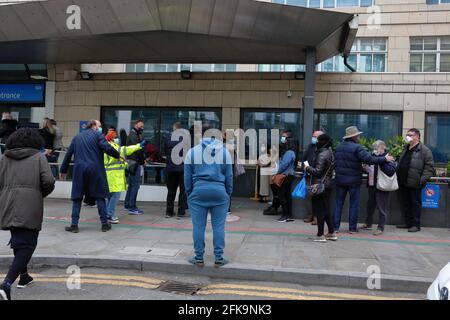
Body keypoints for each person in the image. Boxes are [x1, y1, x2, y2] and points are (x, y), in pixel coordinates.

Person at [0, 128, 55, 300]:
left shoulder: (4, 158)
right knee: (27, 245)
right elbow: (49, 181)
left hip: (7, 204)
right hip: (30, 205)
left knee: (18, 240)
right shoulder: (38, 157)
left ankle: (24, 277)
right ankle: (6, 285)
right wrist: (39, 193)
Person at [184, 124, 233, 268]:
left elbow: (187, 177)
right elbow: (229, 176)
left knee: (198, 226)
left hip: (198, 192)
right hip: (219, 191)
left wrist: (189, 193)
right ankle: (219, 258)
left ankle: (199, 258)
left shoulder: (192, 152)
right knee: (219, 226)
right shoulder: (225, 153)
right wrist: (227, 193)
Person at [60, 120, 121, 233]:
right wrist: (117, 155)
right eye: (99, 126)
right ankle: (104, 224)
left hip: (79, 171)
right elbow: (107, 148)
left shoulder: (77, 137)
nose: (101, 128)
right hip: (95, 170)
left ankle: (74, 225)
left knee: (77, 198)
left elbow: (68, 155)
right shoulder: (98, 135)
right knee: (100, 196)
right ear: (93, 126)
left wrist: (63, 170)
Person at [333, 126, 394, 234]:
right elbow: (369, 159)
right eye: (357, 135)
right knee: (354, 204)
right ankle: (352, 228)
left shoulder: (338, 147)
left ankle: (335, 227)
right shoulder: (357, 147)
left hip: (340, 180)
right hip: (353, 181)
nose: (359, 137)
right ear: (354, 136)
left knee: (338, 204)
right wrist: (384, 159)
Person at [396, 129, 435, 233]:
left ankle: (416, 225)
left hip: (415, 183)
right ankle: (408, 223)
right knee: (406, 204)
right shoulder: (406, 148)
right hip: (403, 182)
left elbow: (429, 167)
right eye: (407, 135)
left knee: (415, 204)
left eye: (410, 135)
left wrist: (421, 180)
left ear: (417, 136)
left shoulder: (425, 150)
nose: (407, 137)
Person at [104, 130, 144, 224]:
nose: (117, 139)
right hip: (114, 176)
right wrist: (138, 146)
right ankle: (109, 214)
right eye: (115, 137)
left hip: (111, 175)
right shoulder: (111, 146)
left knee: (110, 196)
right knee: (115, 196)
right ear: (111, 138)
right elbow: (124, 150)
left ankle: (109, 215)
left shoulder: (109, 145)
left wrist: (125, 164)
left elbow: (119, 158)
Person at [304, 134, 337, 243]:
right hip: (326, 185)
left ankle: (320, 235)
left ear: (322, 142)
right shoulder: (329, 152)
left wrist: (307, 167)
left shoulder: (322, 154)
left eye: (317, 140)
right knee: (326, 209)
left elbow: (318, 172)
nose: (316, 141)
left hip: (319, 186)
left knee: (320, 211)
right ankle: (331, 232)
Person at [360, 140, 397, 236]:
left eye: (377, 148)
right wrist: (365, 168)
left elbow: (391, 171)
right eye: (374, 148)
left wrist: (382, 160)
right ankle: (368, 223)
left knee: (382, 208)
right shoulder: (372, 156)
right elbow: (371, 170)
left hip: (382, 186)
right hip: (372, 185)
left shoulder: (388, 157)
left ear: (382, 148)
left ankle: (380, 227)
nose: (375, 150)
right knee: (370, 205)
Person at [164, 122, 187, 219]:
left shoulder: (167, 138)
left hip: (171, 168)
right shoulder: (185, 139)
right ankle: (180, 213)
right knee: (183, 191)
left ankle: (169, 212)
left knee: (171, 191)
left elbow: (165, 151)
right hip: (182, 168)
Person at [275, 130, 298, 223]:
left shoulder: (289, 152)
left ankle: (285, 215)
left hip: (286, 175)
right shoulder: (291, 152)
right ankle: (288, 215)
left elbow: (284, 164)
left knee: (282, 195)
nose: (283, 139)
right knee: (287, 195)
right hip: (288, 175)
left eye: (284, 138)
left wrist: (276, 171)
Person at [302, 130, 324, 225]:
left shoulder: (323, 149)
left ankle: (316, 217)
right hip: (308, 174)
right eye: (313, 136)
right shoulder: (310, 147)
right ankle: (309, 215)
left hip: (318, 176)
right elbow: (304, 158)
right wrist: (305, 166)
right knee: (309, 197)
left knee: (317, 198)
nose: (313, 138)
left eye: (315, 136)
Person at [124, 120, 146, 215]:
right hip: (135, 163)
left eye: (142, 126)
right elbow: (138, 150)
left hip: (131, 162)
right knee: (135, 186)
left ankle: (128, 204)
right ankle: (132, 207)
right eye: (140, 126)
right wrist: (142, 161)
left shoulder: (134, 135)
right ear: (135, 125)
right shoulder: (133, 136)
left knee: (132, 185)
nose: (142, 128)